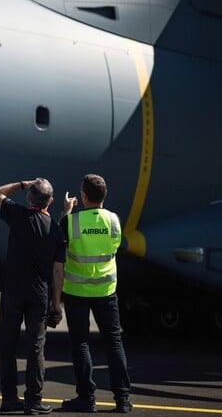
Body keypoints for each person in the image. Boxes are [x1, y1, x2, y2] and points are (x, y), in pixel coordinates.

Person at [51, 174, 133, 413]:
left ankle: (86, 397)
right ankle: (122, 399)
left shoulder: (71, 222)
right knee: (114, 342)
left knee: (81, 343)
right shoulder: (114, 220)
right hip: (106, 290)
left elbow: (58, 241)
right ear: (104, 195)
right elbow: (114, 247)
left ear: (83, 196)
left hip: (76, 290)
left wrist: (66, 211)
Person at [0, 178, 66, 415]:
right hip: (39, 295)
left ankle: (9, 399)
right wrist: (56, 304)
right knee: (35, 350)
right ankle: (33, 401)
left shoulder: (17, 215)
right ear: (50, 201)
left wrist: (24, 183)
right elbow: (58, 271)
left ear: (28, 198)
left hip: (12, 291)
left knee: (7, 346)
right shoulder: (56, 230)